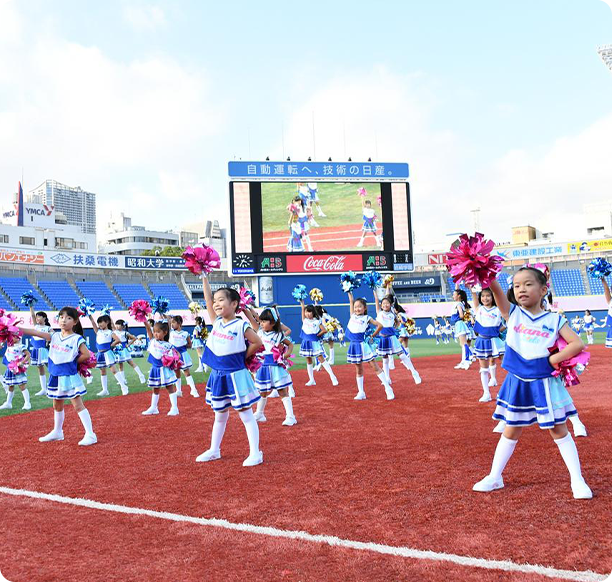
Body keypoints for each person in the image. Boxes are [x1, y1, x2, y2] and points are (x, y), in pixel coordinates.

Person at [472, 266, 592, 499]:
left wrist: (555, 358)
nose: (521, 289)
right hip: (517, 382)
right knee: (511, 429)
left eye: (528, 284)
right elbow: (495, 288)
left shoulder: (554, 319)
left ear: (543, 289)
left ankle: (577, 479)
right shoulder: (512, 313)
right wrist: (483, 268)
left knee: (559, 429)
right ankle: (495, 477)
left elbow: (577, 343)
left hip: (545, 383)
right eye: (516, 286)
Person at [195, 276, 264, 466]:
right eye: (215, 301)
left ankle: (255, 453)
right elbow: (207, 300)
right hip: (218, 375)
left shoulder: (241, 325)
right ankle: (214, 450)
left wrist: (243, 356)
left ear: (234, 304)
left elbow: (258, 342)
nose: (216, 304)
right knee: (220, 415)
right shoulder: (216, 322)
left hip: (236, 374)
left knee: (245, 414)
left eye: (221, 300)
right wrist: (204, 278)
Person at [20, 306, 97, 445]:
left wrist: (72, 362)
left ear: (75, 322)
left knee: (78, 405)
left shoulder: (76, 338)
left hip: (69, 376)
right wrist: (14, 329)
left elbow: (86, 354)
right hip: (55, 375)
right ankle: (57, 431)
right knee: (57, 404)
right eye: (61, 317)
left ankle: (91, 434)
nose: (64, 320)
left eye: (68, 318)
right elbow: (34, 332)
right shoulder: (54, 336)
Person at [244, 306, 297, 426]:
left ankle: (291, 416)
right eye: (261, 321)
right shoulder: (259, 332)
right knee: (262, 391)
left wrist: (286, 355)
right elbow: (251, 319)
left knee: (282, 391)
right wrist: (244, 308)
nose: (261, 323)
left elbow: (290, 345)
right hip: (263, 366)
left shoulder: (279, 335)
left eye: (264, 321)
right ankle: (260, 413)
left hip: (275, 366)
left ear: (272, 323)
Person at [346, 291, 394, 400]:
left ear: (365, 308)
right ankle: (361, 392)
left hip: (363, 345)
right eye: (355, 307)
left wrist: (372, 335)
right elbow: (350, 301)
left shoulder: (367, 318)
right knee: (358, 369)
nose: (357, 309)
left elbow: (380, 325)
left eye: (359, 307)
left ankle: (388, 388)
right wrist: (349, 291)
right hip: (354, 345)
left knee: (374, 366)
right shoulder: (352, 316)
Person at [373, 290, 421, 385]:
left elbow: (398, 322)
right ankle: (387, 378)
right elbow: (376, 299)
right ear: (381, 305)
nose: (385, 305)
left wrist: (395, 328)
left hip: (392, 338)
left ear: (390, 305)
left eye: (387, 303)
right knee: (385, 359)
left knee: (402, 355)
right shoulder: (379, 313)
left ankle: (414, 373)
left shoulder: (392, 314)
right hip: (383, 339)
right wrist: (374, 289)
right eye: (383, 303)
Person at [141, 319, 180, 416]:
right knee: (155, 388)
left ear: (165, 333)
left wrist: (173, 359)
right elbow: (148, 330)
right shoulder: (153, 341)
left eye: (158, 332)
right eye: (154, 332)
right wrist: (144, 321)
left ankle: (174, 408)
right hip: (155, 369)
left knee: (170, 387)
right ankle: (154, 407)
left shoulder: (169, 345)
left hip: (165, 369)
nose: (155, 334)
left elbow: (177, 355)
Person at [470, 287, 503, 403]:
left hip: (495, 341)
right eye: (483, 296)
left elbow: (506, 323)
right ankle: (486, 393)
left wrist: (499, 331)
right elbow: (474, 296)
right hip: (481, 340)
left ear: (493, 297)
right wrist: (472, 287)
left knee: (507, 365)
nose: (485, 298)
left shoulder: (498, 310)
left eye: (488, 295)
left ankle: (503, 391)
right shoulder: (479, 309)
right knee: (483, 369)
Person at [298, 299, 338, 387]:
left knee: (321, 358)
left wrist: (317, 335)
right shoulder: (304, 320)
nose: (307, 314)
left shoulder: (317, 321)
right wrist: (302, 302)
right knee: (308, 360)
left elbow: (324, 330)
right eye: (306, 312)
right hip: (306, 342)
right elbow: (302, 309)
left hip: (314, 342)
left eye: (310, 312)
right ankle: (311, 379)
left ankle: (333, 376)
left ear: (313, 313)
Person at [88, 313, 129, 396]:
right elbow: (93, 323)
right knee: (102, 371)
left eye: (101, 322)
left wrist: (110, 346)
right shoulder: (98, 331)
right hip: (100, 354)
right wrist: (89, 315)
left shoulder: (110, 332)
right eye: (98, 323)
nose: (99, 324)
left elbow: (118, 340)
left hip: (107, 353)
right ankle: (105, 390)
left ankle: (123, 387)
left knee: (114, 370)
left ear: (107, 322)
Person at [169, 315, 199, 398]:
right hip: (174, 355)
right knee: (176, 373)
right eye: (171, 323)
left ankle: (193, 390)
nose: (172, 324)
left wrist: (183, 347)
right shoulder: (171, 333)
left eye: (174, 323)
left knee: (187, 372)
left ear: (179, 323)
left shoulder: (185, 333)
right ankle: (179, 391)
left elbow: (190, 344)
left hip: (183, 355)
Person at [0, 341, 31, 410]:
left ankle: (27, 403)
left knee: (22, 386)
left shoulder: (21, 346)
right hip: (11, 368)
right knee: (10, 386)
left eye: (13, 337)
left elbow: (28, 355)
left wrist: (21, 362)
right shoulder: (9, 345)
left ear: (18, 337)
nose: (10, 338)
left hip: (18, 369)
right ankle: (8, 403)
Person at [113, 319, 146, 384]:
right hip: (118, 350)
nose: (116, 326)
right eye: (116, 324)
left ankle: (141, 375)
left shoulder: (125, 333)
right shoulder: (115, 332)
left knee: (131, 363)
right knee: (120, 365)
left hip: (124, 350)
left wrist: (128, 344)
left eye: (118, 324)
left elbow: (134, 338)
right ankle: (123, 380)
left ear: (123, 326)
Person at [28, 305, 52, 396]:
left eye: (39, 316)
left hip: (43, 350)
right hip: (36, 350)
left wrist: (48, 341)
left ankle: (55, 385)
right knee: (40, 368)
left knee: (50, 367)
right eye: (37, 316)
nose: (37, 318)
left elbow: (53, 335)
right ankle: (43, 389)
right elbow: (32, 316)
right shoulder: (36, 326)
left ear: (44, 318)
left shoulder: (48, 328)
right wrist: (30, 305)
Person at [450, 289, 472, 369]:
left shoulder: (458, 303)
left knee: (464, 344)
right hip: (459, 324)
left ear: (459, 296)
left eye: (454, 294)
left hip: (459, 323)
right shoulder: (460, 303)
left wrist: (458, 318)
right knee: (462, 344)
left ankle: (467, 359)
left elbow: (461, 315)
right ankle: (464, 361)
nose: (453, 296)